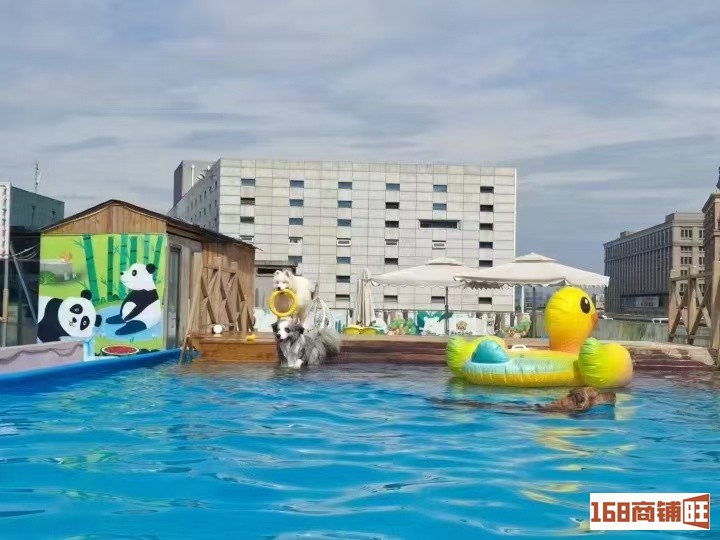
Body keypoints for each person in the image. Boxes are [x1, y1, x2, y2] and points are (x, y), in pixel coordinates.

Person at [430, 386, 616, 414]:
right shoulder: (564, 411)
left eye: (572, 399)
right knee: (483, 405)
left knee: (483, 405)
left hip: (530, 410)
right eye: (570, 397)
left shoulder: (559, 411)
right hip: (530, 409)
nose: (563, 399)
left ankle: (445, 404)